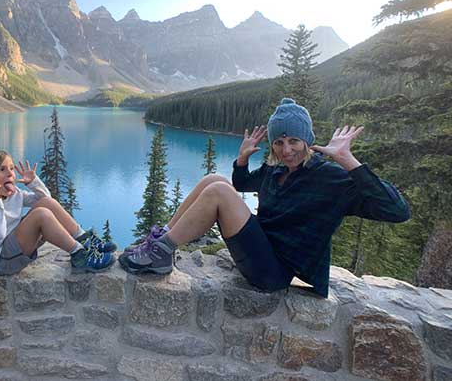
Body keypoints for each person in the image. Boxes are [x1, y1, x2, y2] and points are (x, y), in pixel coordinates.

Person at [119, 98, 411, 297]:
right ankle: (161, 242)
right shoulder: (276, 170)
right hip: (261, 250)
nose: (287, 150)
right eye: (279, 142)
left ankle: (160, 252)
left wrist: (348, 160)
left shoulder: (330, 178)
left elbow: (397, 210)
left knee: (219, 190)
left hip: (275, 273)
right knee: (214, 180)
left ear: (307, 141)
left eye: (294, 141)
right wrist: (242, 159)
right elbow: (242, 185)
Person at [0, 150, 116, 276]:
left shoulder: (13, 194)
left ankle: (85, 241)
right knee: (40, 214)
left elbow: (45, 199)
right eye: (2, 169)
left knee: (46, 204)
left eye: (11, 168)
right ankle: (80, 256)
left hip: (15, 249)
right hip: (0, 262)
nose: (10, 174)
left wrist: (33, 182)